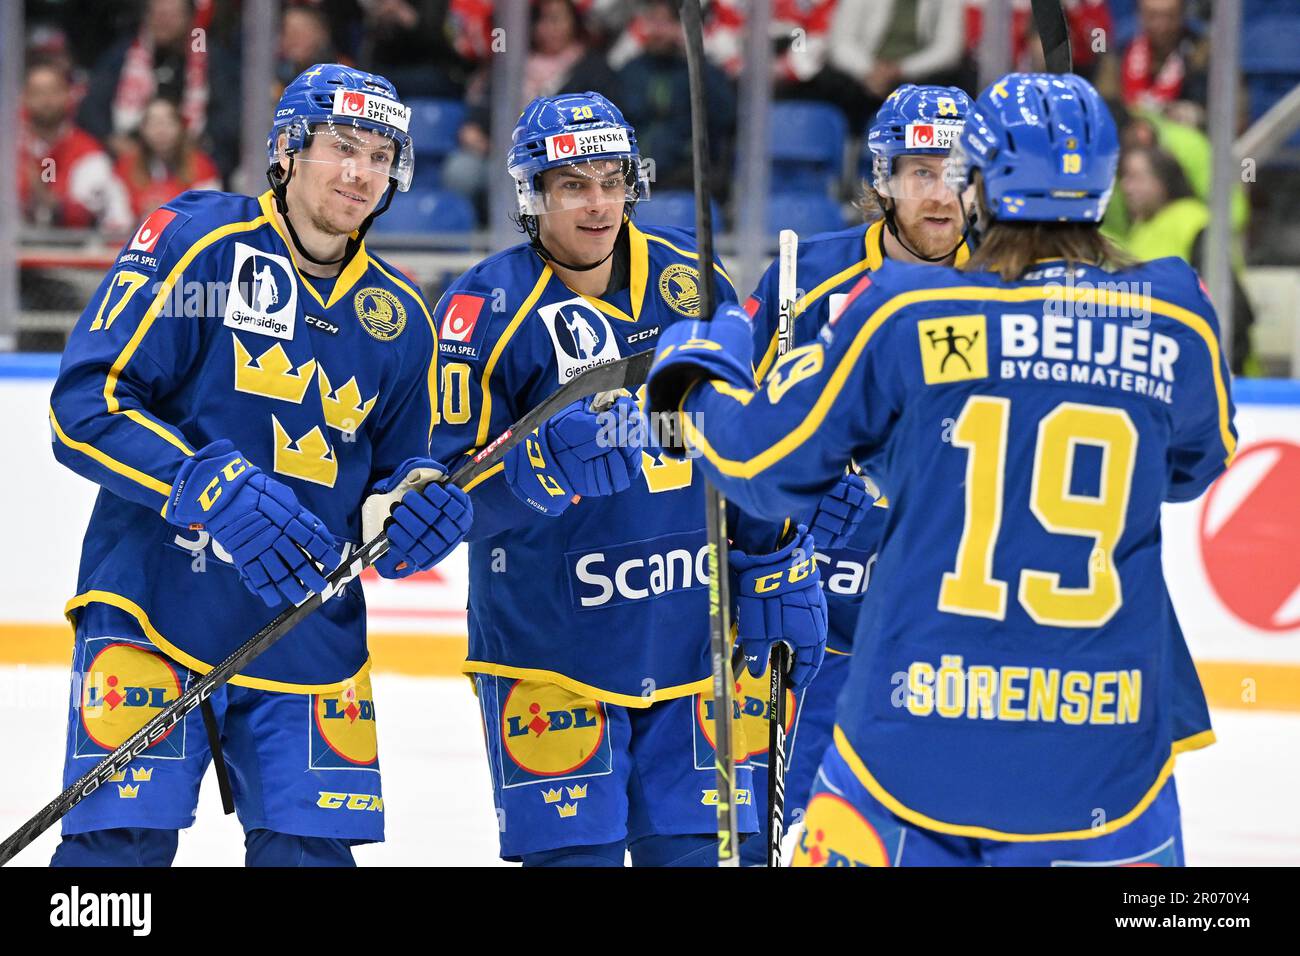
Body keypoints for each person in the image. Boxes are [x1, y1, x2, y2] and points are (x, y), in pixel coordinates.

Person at [647, 72, 1235, 866]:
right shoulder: (1176, 309)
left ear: (980, 184)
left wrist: (699, 389)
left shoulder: (908, 310)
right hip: (1109, 744)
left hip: (917, 727)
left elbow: (763, 465)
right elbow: (1195, 466)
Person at [46, 64, 474, 868]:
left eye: (381, 155)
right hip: (153, 611)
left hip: (307, 634)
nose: (361, 172)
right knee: (113, 867)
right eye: (342, 146)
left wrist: (420, 511)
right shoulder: (195, 240)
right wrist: (204, 482)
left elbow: (404, 477)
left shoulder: (404, 316)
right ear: (285, 151)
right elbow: (85, 406)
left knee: (310, 857)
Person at [427, 91, 828, 867]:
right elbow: (445, 499)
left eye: (612, 180)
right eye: (574, 184)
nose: (599, 203)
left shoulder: (690, 276)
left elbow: (737, 439)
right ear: (532, 195)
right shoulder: (482, 306)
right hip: (550, 663)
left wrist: (776, 556)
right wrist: (536, 463)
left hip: (695, 650)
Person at [737, 83, 972, 866]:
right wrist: (795, 498)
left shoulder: (1013, 284)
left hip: (949, 622)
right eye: (919, 173)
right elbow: (754, 430)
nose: (941, 194)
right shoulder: (809, 275)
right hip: (818, 623)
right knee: (778, 834)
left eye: (958, 172)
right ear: (881, 180)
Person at [1119, 144, 1255, 373]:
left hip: (1212, 374)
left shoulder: (1193, 222)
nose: (1126, 186)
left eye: (1136, 177)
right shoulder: (1142, 229)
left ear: (1163, 180)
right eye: (1124, 177)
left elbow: (1233, 306)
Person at [18, 59, 133, 234]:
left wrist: (53, 203)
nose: (46, 100)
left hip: (71, 254)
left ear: (68, 95)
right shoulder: (9, 149)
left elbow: (90, 217)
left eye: (53, 92)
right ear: (24, 98)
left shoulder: (88, 151)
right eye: (37, 93)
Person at [113, 97, 221, 219]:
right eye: (153, 123)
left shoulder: (201, 165)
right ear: (142, 129)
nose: (161, 130)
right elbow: (116, 219)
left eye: (168, 122)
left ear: (181, 127)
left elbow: (210, 216)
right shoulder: (126, 165)